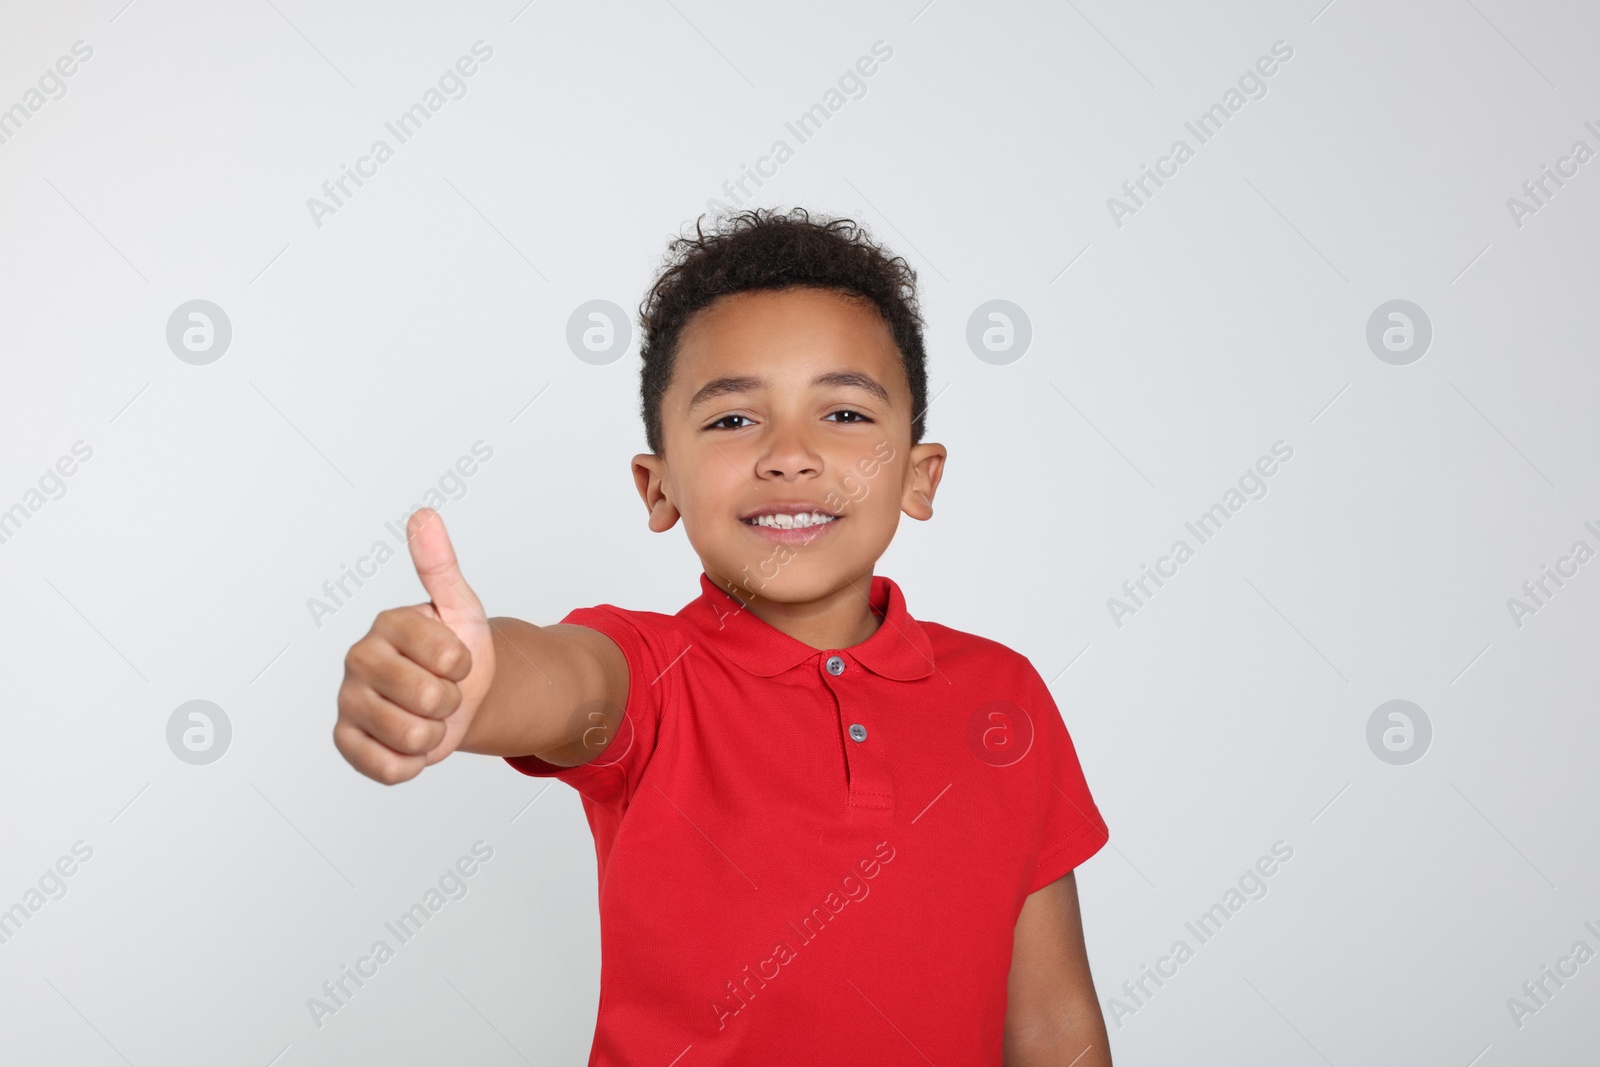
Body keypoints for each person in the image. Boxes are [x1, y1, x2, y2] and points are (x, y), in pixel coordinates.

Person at [333, 207, 1113, 1065]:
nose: (789, 454)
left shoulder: (1004, 695)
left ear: (919, 477)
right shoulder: (653, 679)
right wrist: (478, 685)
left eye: (845, 415)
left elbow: (1050, 1021)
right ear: (657, 485)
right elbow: (567, 683)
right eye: (734, 420)